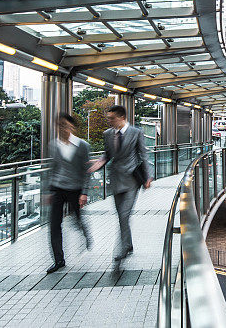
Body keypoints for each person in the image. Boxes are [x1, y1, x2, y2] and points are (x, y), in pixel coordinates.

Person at [88, 104, 152, 263]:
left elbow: (143, 154)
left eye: (112, 118)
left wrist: (148, 176)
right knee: (121, 216)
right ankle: (128, 244)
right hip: (116, 179)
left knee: (124, 214)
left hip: (131, 180)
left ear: (122, 118)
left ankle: (122, 248)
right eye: (108, 118)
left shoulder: (136, 132)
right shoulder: (107, 134)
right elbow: (107, 154)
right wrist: (100, 162)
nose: (109, 121)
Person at [46, 113, 92, 274]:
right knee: (54, 225)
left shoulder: (82, 145)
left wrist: (84, 193)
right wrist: (50, 190)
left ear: (72, 127)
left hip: (75, 189)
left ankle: (85, 233)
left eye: (65, 125)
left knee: (78, 219)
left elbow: (86, 172)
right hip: (58, 189)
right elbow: (53, 169)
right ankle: (59, 260)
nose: (62, 128)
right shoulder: (53, 145)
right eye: (59, 125)